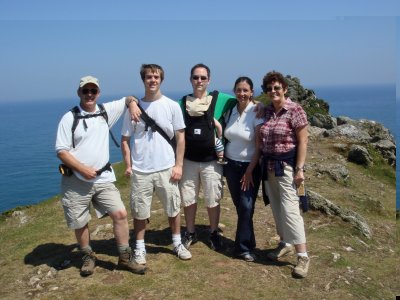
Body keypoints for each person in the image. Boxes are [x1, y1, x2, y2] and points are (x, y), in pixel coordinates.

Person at [55, 75, 146, 276]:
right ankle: (88, 256)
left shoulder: (105, 112)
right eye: (85, 91)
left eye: (93, 91)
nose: (89, 94)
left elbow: (129, 98)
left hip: (103, 178)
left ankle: (124, 257)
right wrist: (82, 168)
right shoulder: (69, 118)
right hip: (76, 180)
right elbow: (61, 151)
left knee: (120, 213)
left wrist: (132, 105)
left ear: (98, 93)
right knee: (80, 222)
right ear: (78, 93)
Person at [121, 64, 192, 266]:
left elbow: (181, 138)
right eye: (149, 77)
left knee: (173, 208)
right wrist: (128, 165)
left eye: (156, 77)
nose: (152, 80)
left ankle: (177, 243)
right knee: (139, 211)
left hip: (166, 167)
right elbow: (125, 139)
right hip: (141, 170)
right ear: (143, 80)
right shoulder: (133, 109)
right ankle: (140, 248)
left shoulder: (171, 106)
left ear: (161, 79)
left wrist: (178, 166)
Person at [179, 63, 236, 251]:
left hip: (212, 161)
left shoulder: (221, 99)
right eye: (196, 77)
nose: (199, 81)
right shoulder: (181, 103)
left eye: (203, 78)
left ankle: (213, 232)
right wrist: (131, 101)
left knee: (213, 198)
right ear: (190, 79)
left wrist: (260, 106)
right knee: (188, 198)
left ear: (209, 80)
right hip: (188, 161)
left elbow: (244, 101)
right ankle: (190, 232)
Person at [258, 71, 310, 278]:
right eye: (269, 89)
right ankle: (285, 243)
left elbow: (303, 141)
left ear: (285, 89)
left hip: (287, 167)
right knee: (277, 209)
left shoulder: (295, 110)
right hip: (269, 167)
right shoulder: (268, 111)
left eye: (277, 88)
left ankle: (303, 256)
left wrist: (299, 169)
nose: (273, 91)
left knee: (290, 211)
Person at [223, 76, 264, 262]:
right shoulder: (231, 110)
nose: (242, 93)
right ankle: (249, 241)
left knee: (247, 206)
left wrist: (249, 171)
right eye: (239, 90)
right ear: (234, 91)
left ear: (252, 92)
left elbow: (259, 145)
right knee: (241, 207)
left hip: (250, 166)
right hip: (230, 165)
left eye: (245, 90)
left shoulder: (256, 111)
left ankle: (241, 248)